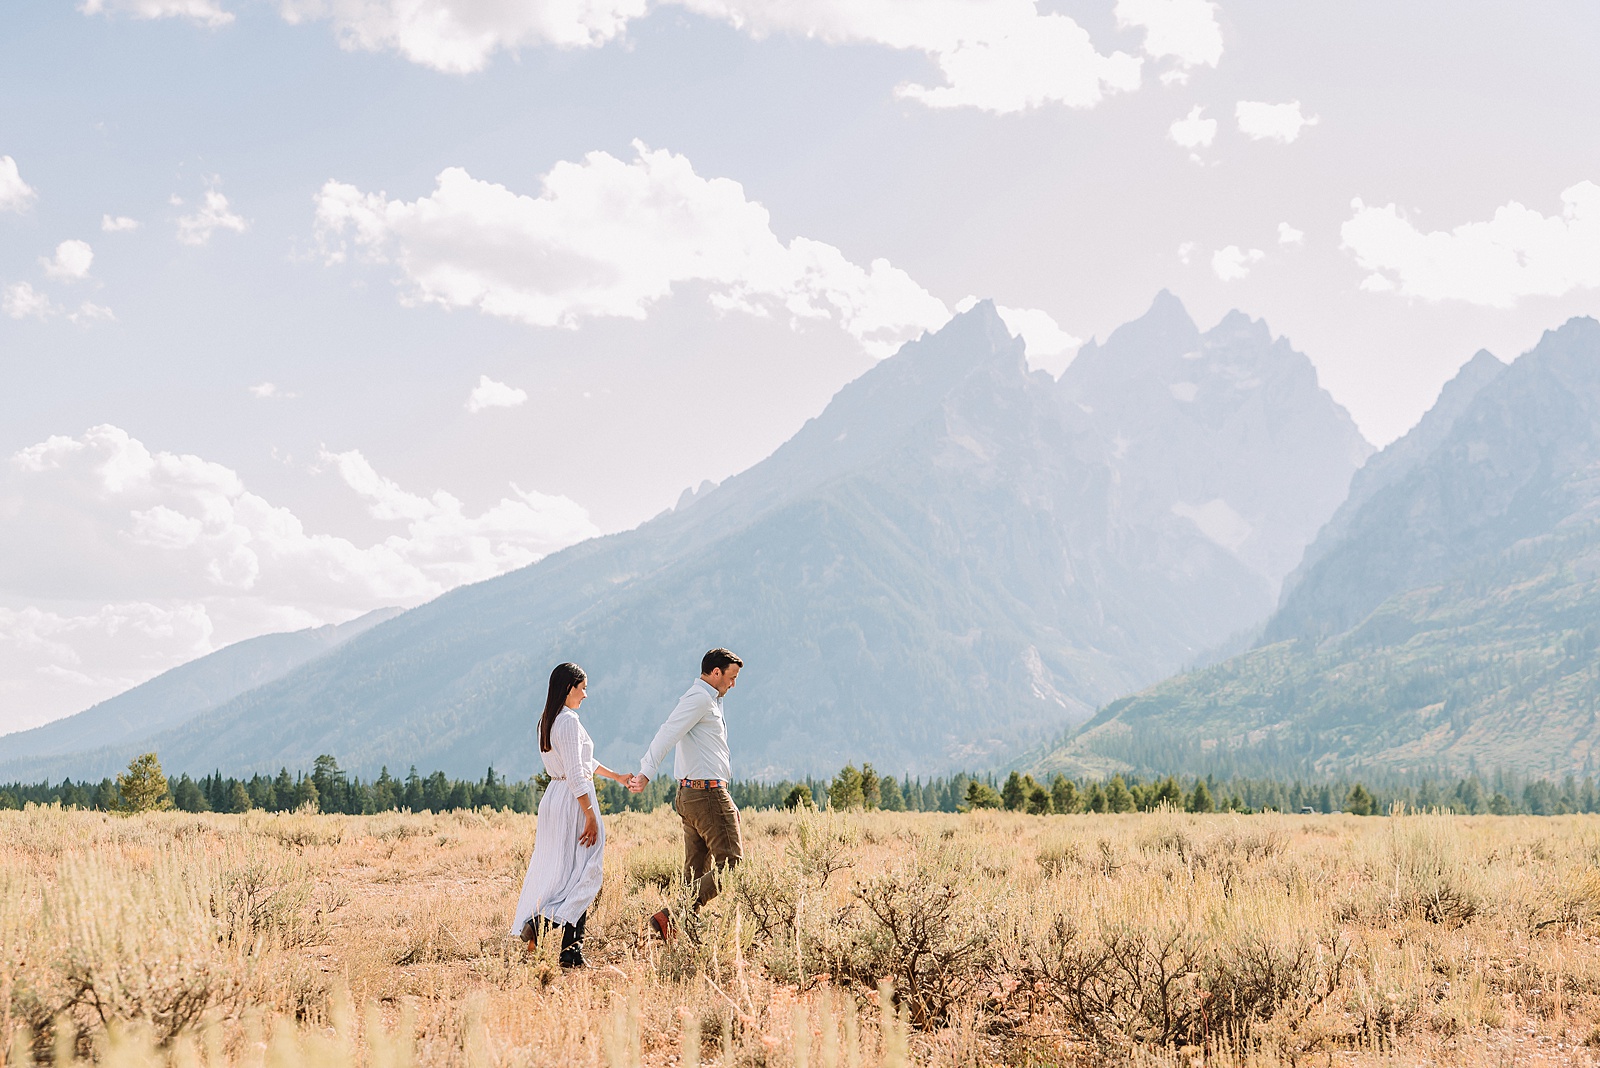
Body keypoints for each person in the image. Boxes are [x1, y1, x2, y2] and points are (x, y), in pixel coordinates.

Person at [511, 662, 632, 968]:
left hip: (556, 798)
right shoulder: (569, 722)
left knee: (565, 873)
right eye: (583, 688)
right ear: (569, 687)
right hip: (573, 802)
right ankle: (555, 936)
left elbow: (582, 761)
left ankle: (563, 944)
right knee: (587, 873)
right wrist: (589, 813)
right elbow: (577, 772)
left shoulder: (549, 721)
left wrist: (616, 776)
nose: (586, 695)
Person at [629, 648, 744, 942]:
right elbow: (668, 732)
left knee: (694, 871)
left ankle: (681, 934)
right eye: (731, 677)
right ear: (715, 673)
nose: (733, 684)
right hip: (706, 795)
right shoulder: (700, 699)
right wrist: (645, 772)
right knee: (731, 864)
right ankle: (673, 916)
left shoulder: (710, 700)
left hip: (693, 795)